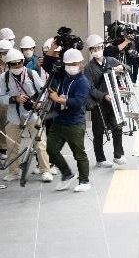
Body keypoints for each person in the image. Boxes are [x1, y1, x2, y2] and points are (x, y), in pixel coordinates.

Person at [43, 45, 91, 192]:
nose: (71, 67)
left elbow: (78, 103)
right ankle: (67, 174)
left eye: (74, 64)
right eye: (68, 64)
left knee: (79, 153)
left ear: (81, 64)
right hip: (59, 121)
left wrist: (58, 99)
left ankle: (84, 181)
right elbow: (47, 65)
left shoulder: (83, 82)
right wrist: (53, 46)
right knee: (51, 149)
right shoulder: (64, 76)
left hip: (74, 123)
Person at [0, 49, 53, 182]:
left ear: (23, 62)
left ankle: (45, 170)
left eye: (18, 64)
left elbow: (44, 91)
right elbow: (0, 97)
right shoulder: (4, 77)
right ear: (8, 65)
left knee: (40, 143)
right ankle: (14, 171)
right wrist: (13, 99)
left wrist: (38, 103)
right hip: (13, 116)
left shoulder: (31, 73)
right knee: (12, 145)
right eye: (13, 65)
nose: (16, 67)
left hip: (32, 114)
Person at [84, 34, 126, 167]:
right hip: (98, 103)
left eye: (98, 48)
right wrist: (103, 96)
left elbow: (127, 68)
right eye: (93, 49)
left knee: (117, 127)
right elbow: (90, 88)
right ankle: (100, 159)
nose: (96, 50)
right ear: (90, 51)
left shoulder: (111, 60)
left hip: (113, 101)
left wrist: (122, 68)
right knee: (98, 131)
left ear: (102, 47)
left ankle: (118, 155)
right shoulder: (89, 68)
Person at [0, 38, 11, 164]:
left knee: (5, 124)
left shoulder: (11, 65)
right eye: (2, 52)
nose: (3, 55)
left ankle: (3, 149)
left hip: (7, 99)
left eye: (5, 52)